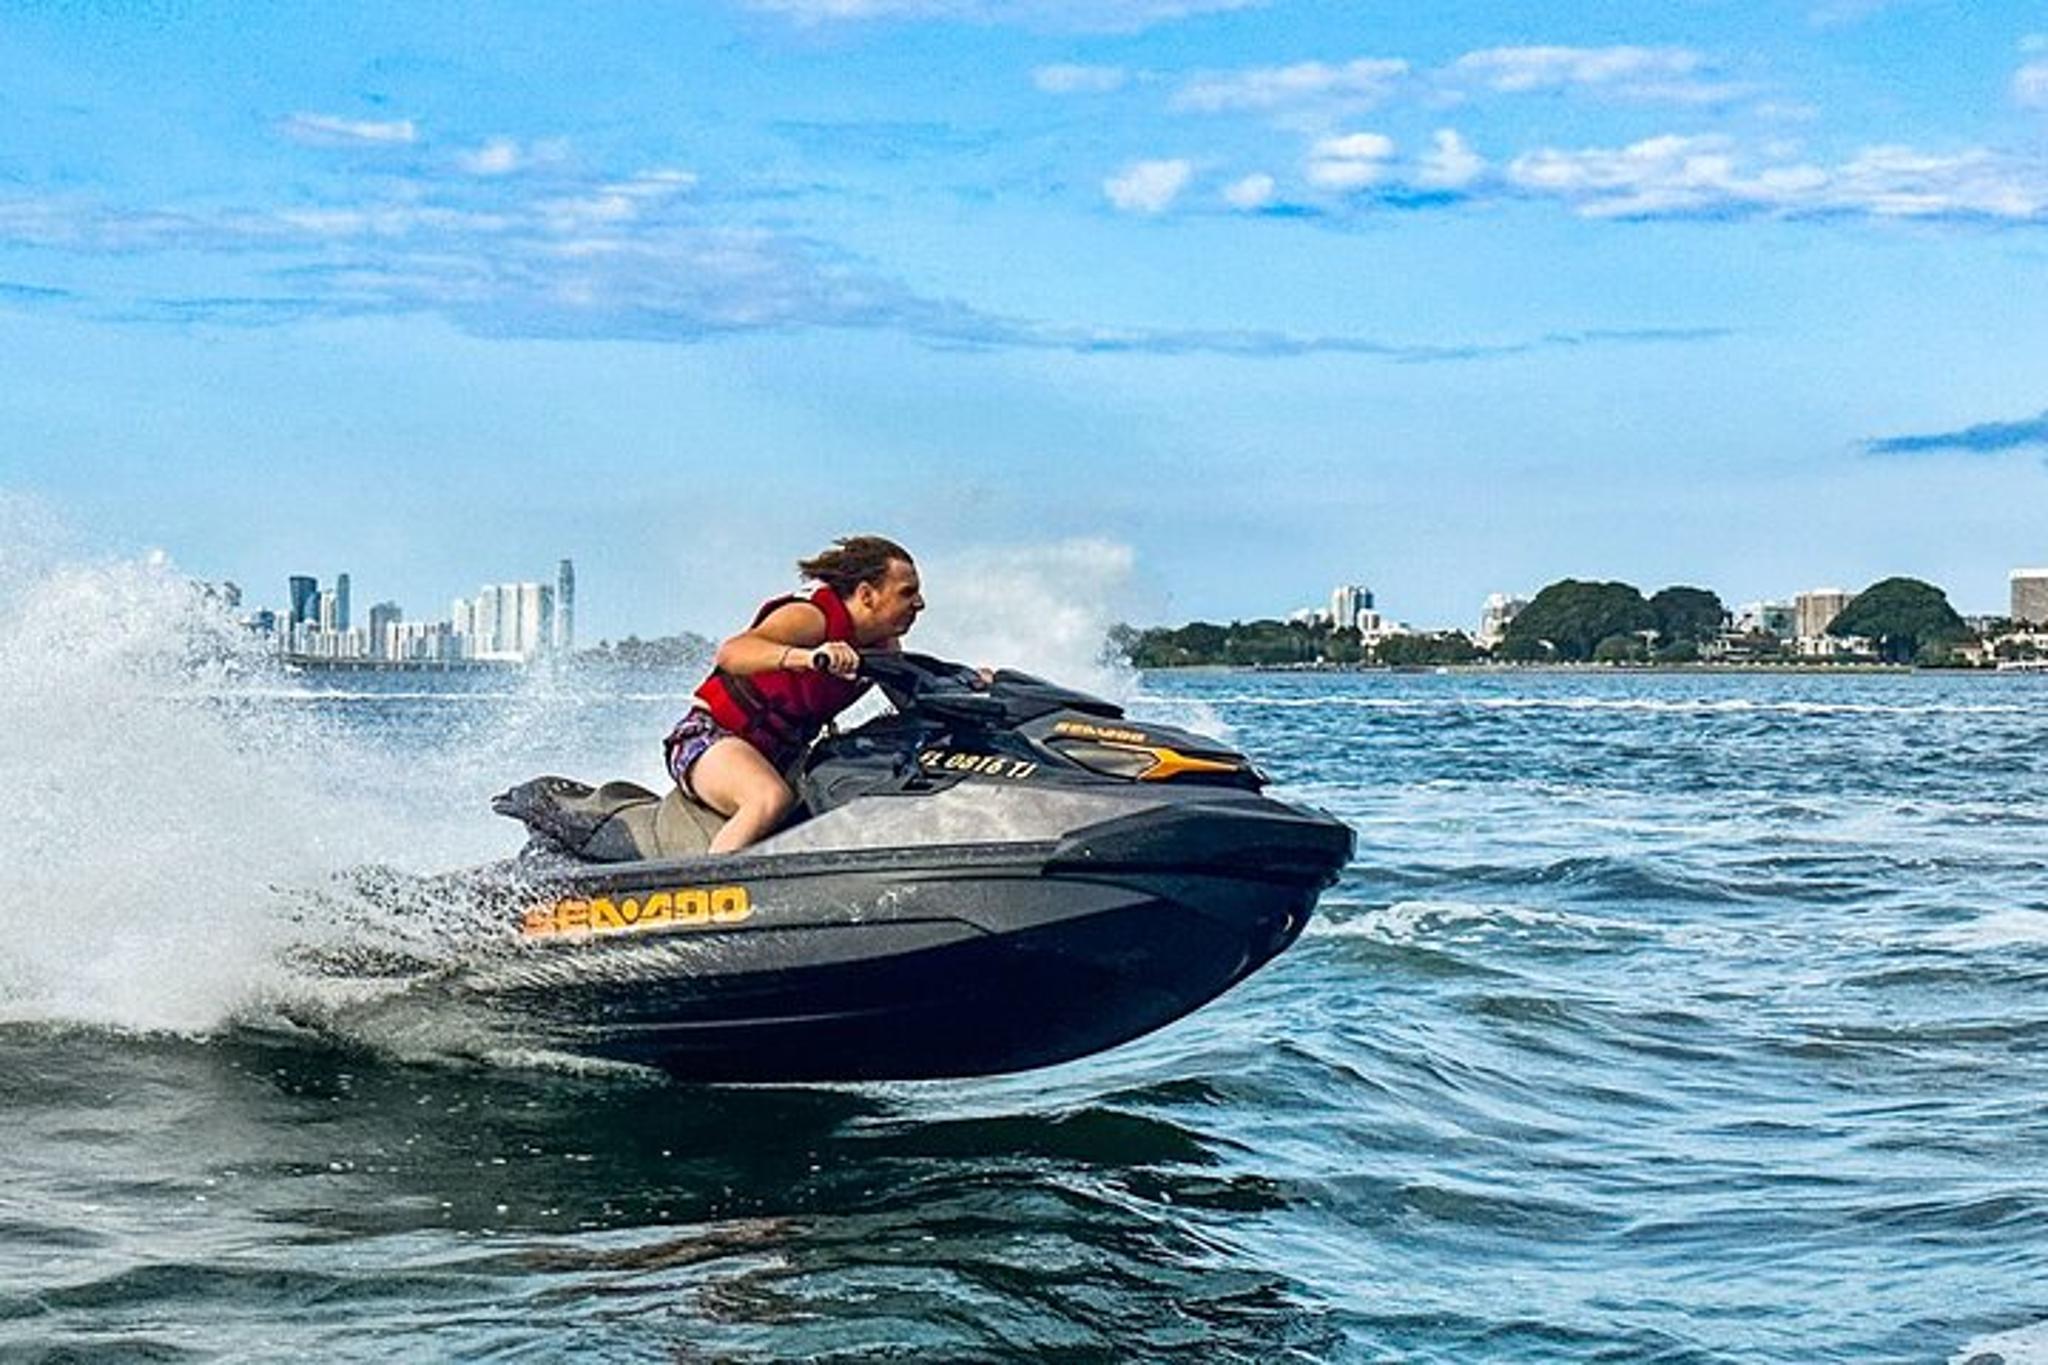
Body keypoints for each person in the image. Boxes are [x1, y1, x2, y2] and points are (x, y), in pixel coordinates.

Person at [666, 535, 924, 853]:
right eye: (907, 593)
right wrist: (809, 656)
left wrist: (974, 686)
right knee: (769, 798)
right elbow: (732, 653)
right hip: (708, 739)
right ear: (867, 595)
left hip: (783, 758)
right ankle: (710, 891)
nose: (920, 604)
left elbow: (914, 701)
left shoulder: (884, 648)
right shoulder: (812, 617)